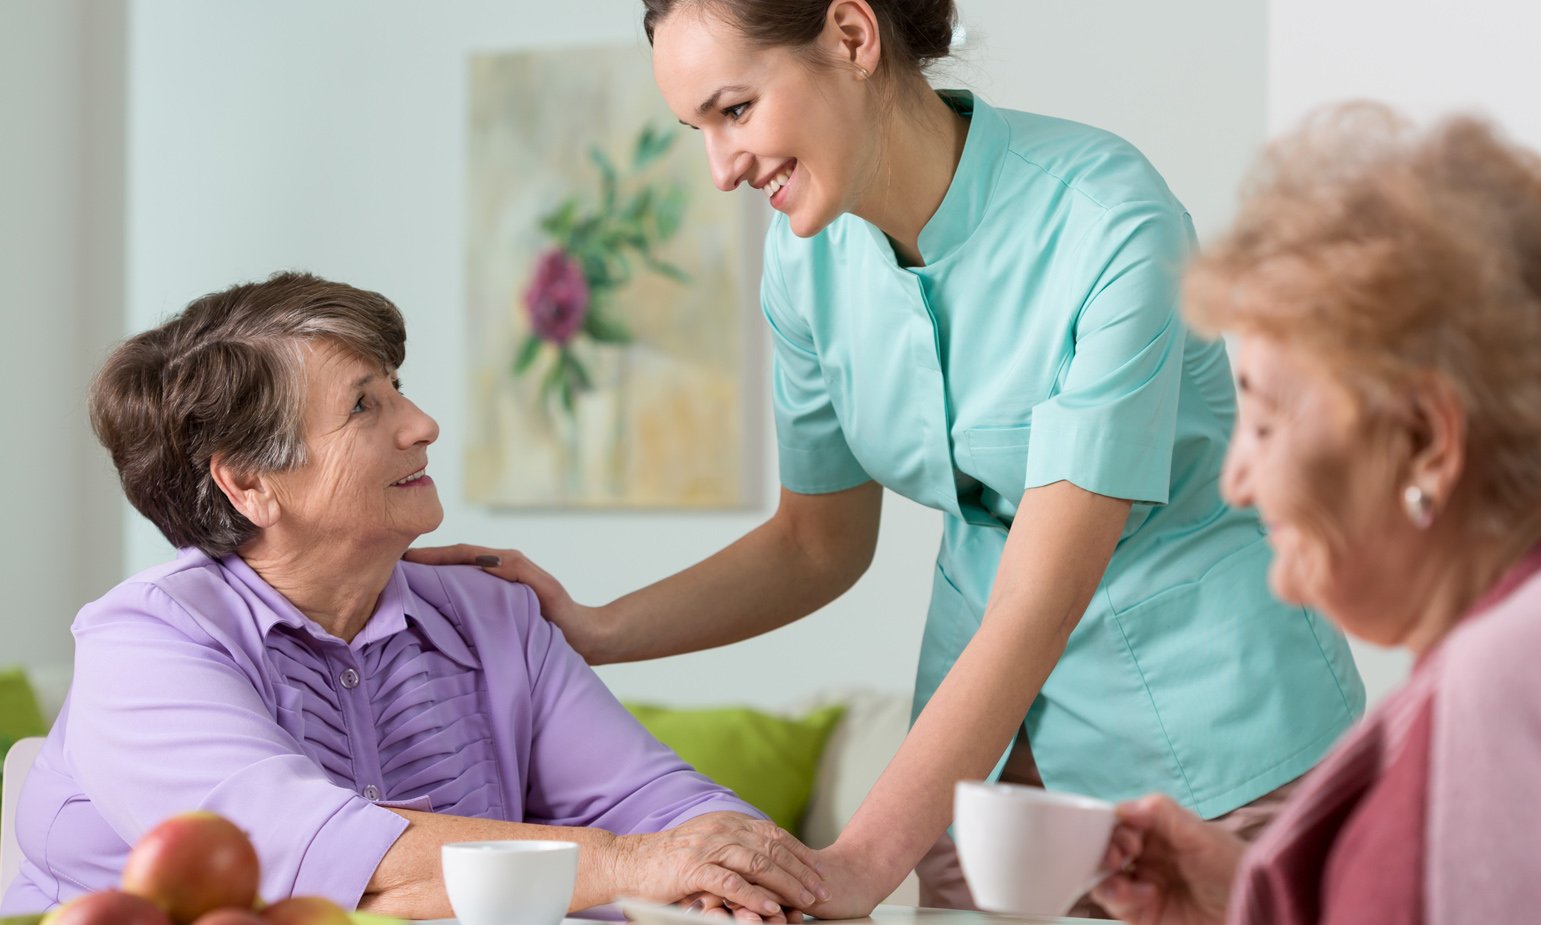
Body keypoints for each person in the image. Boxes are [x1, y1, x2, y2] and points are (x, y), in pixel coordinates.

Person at [414, 0, 1366, 916]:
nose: (720, 167)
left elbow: (1039, 599)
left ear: (851, 33)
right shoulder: (805, 260)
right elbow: (813, 542)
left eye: (735, 110)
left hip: (1216, 745)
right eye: (695, 127)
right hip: (984, 771)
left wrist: (861, 861)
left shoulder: (1107, 220)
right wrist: (593, 629)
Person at [0, 273, 827, 921]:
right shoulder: (145, 641)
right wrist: (626, 867)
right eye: (366, 404)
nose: (423, 422)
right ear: (249, 480)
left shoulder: (489, 611)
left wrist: (720, 877)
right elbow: (307, 853)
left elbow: (662, 802)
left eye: (398, 386)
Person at [1091, 104, 1541, 924]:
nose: (1234, 481)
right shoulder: (1484, 655)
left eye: (1262, 422)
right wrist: (1247, 896)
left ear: (1424, 439)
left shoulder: (1506, 676)